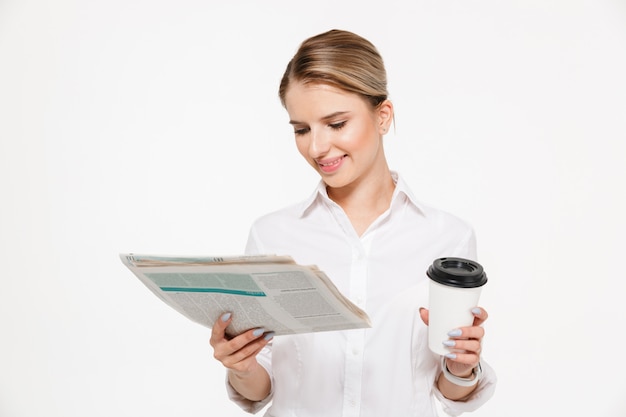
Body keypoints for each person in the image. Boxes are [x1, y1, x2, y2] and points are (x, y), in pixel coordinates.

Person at [210, 29, 497, 417]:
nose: (316, 147)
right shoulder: (272, 235)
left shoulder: (447, 238)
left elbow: (449, 395)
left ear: (382, 116)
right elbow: (260, 392)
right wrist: (241, 365)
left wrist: (461, 367)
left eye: (336, 123)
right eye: (301, 129)